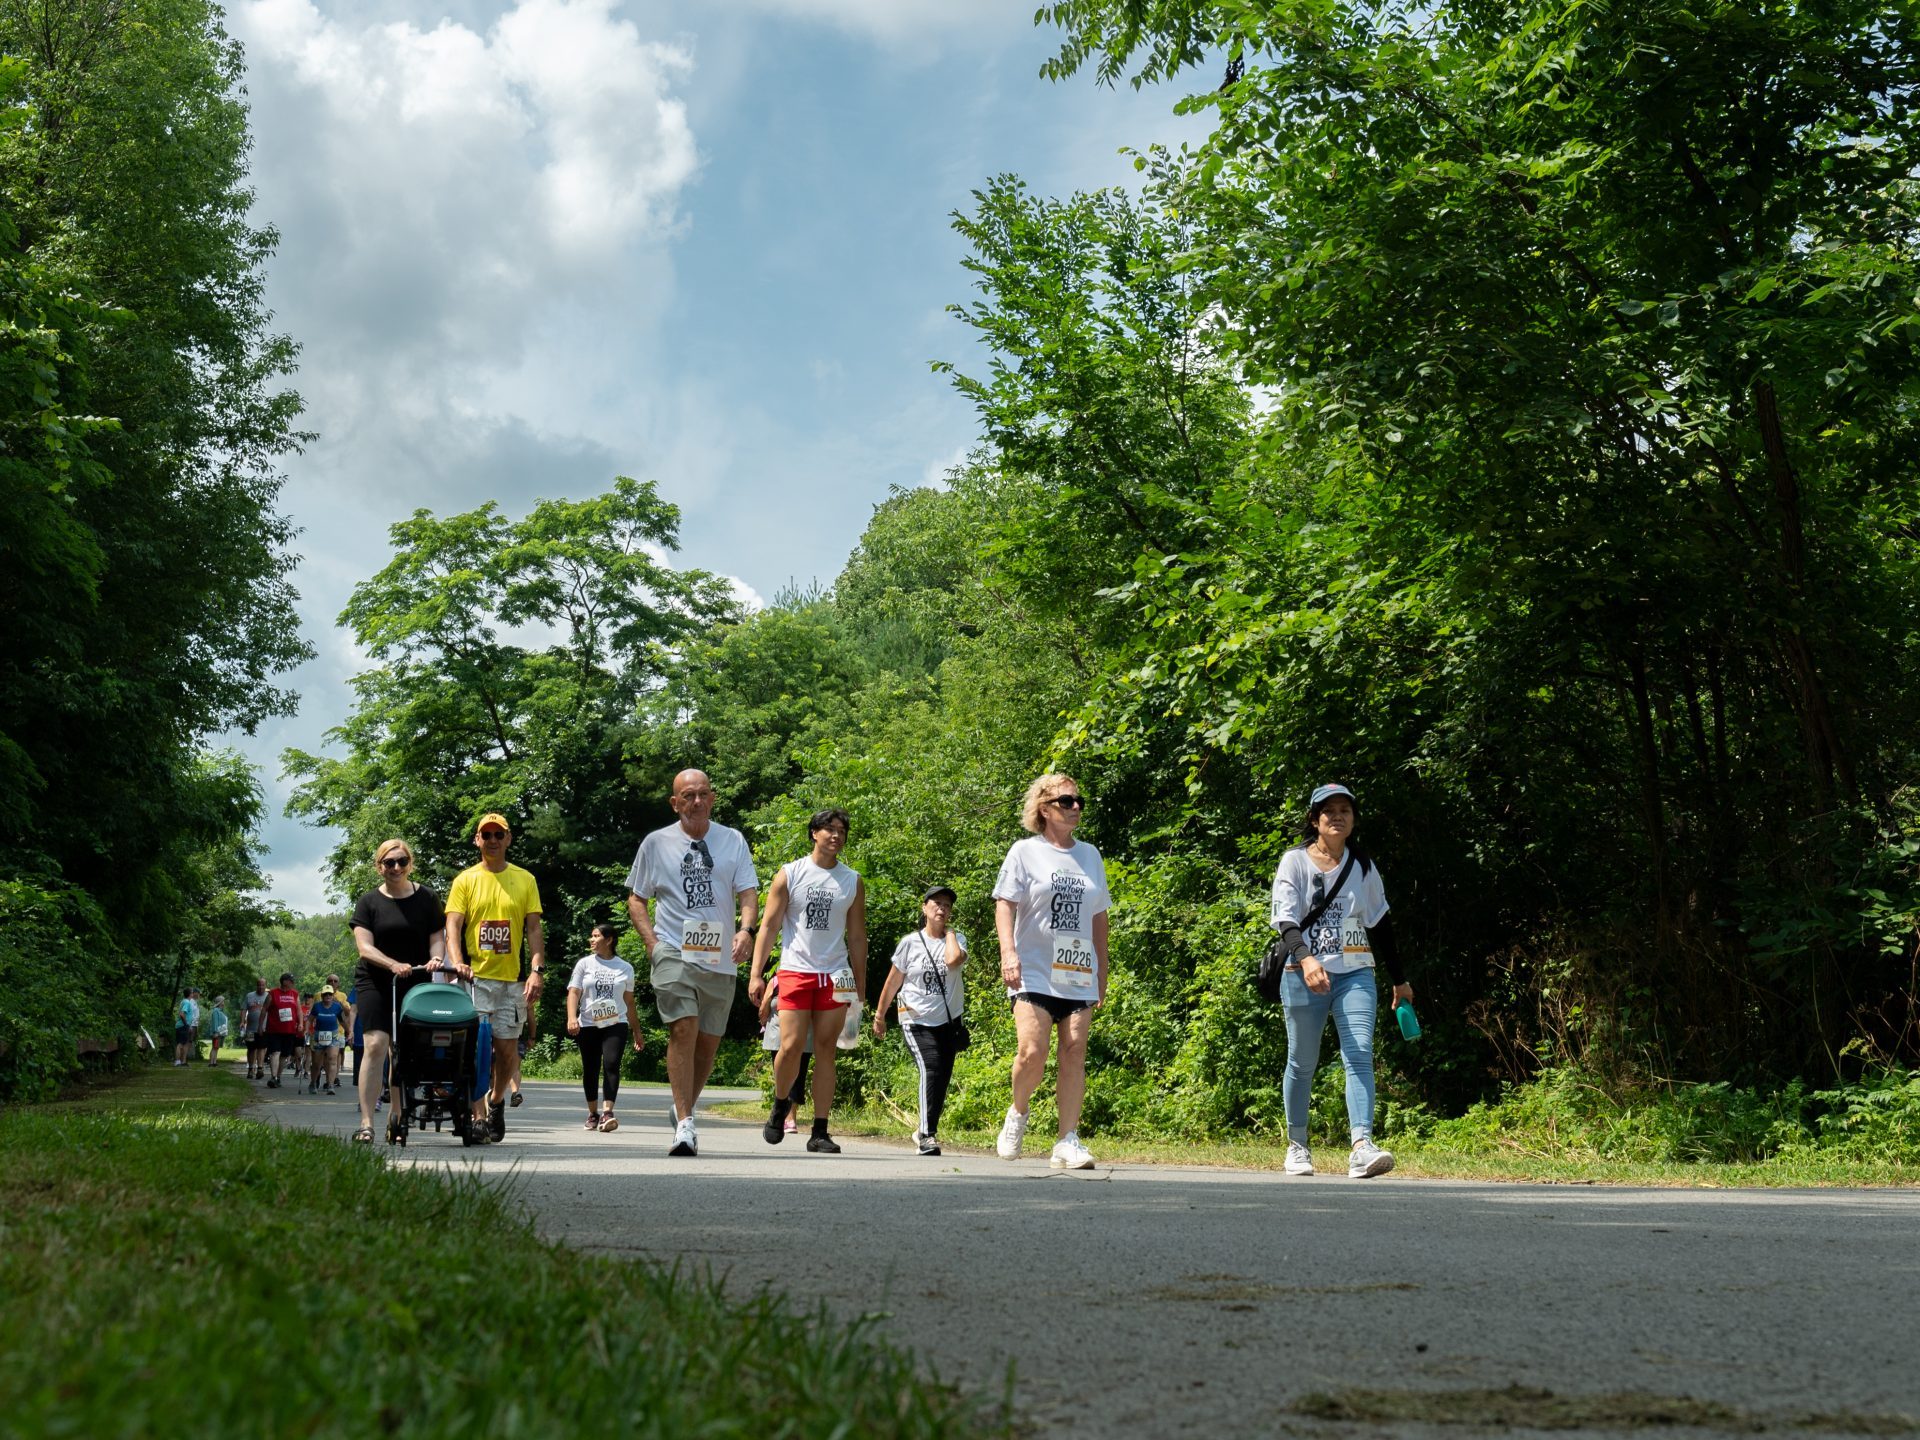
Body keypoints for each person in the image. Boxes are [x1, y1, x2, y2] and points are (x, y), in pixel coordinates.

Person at [1269, 782, 1411, 1179]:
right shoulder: (1294, 862)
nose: (1336, 816)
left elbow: (1380, 922)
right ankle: (1297, 1146)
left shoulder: (1363, 865)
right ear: (1314, 819)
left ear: (1353, 820)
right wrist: (1307, 958)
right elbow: (1285, 919)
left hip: (1355, 973)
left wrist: (1400, 980)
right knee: (1302, 1062)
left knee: (1360, 1052)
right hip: (1302, 974)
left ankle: (1362, 1146)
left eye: (1344, 810)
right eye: (1327, 810)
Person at [625, 769, 759, 1158]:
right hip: (673, 951)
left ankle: (683, 1105)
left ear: (712, 798)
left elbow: (748, 892)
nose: (696, 801)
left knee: (708, 1041)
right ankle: (686, 1126)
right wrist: (652, 944)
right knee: (684, 1029)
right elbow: (637, 898)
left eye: (703, 794)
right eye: (688, 795)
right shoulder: (656, 843)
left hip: (720, 955)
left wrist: (746, 931)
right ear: (675, 803)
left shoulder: (732, 840)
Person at [992, 773, 1110, 1170]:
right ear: (1044, 808)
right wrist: (1008, 953)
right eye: (1066, 801)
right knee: (1033, 1051)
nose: (1075, 807)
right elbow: (1005, 904)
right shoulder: (1024, 852)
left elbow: (1098, 917)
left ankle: (1067, 1139)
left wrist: (1101, 970)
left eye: (1079, 801)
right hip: (1035, 968)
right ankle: (1018, 1113)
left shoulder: (1090, 855)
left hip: (1076, 969)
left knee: (1075, 1050)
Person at [749, 808, 867, 1154]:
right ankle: (780, 1102)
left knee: (827, 1050)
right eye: (829, 829)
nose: (836, 836)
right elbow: (769, 926)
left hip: (835, 975)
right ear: (813, 833)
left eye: (842, 831)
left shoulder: (852, 880)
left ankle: (820, 1130)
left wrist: (860, 984)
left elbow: (858, 936)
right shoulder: (790, 874)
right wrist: (757, 974)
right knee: (791, 1046)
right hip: (795, 970)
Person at [446, 813, 545, 1144]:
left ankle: (497, 1101)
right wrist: (458, 962)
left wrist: (536, 970)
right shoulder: (465, 880)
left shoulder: (525, 880)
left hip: (511, 981)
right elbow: (453, 927)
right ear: (477, 840)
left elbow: (533, 929)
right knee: (475, 1051)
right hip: (476, 980)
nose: (491, 840)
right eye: (485, 835)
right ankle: (478, 1116)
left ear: (508, 838)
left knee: (506, 1052)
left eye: (497, 834)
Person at [350, 838, 454, 1144]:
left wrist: (436, 957)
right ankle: (367, 1122)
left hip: (416, 979)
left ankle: (397, 1116)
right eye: (389, 862)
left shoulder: (428, 898)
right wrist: (393, 964)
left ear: (410, 863)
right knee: (376, 1044)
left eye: (401, 861)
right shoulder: (368, 902)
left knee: (404, 1050)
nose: (396, 868)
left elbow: (437, 935)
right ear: (378, 866)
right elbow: (364, 947)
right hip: (376, 980)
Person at [873, 885, 968, 1156]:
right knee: (931, 1068)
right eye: (936, 903)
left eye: (947, 905)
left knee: (942, 1077)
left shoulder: (958, 939)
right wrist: (880, 1015)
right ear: (924, 908)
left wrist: (948, 933)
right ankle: (927, 1136)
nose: (942, 908)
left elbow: (952, 960)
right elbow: (893, 982)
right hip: (915, 1019)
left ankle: (923, 1130)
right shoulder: (909, 942)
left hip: (948, 1022)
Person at [566, 922, 644, 1131]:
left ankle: (607, 1113)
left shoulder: (625, 967)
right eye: (591, 936)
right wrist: (571, 1018)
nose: (592, 940)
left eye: (596, 936)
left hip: (615, 1022)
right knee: (590, 1069)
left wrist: (637, 1031)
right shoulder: (584, 964)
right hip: (589, 1023)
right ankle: (593, 1113)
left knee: (611, 1064)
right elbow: (574, 992)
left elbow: (629, 1002)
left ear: (609, 940)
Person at [756, 976, 811, 1134]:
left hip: (803, 1036)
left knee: (799, 1076)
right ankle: (782, 1114)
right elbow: (763, 1009)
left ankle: (791, 1117)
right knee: (782, 1076)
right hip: (777, 1036)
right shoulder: (774, 982)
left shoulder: (809, 980)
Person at [262, 972, 303, 1088]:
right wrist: (261, 1025)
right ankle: (273, 1077)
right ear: (284, 981)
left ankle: (278, 1076)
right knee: (275, 1052)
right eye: (291, 981)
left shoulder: (295, 994)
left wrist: (300, 1023)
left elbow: (299, 1010)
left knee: (284, 1055)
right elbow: (264, 1009)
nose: (292, 983)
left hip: (289, 1030)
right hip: (274, 1029)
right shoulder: (273, 993)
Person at [308, 986, 349, 1093]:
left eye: (330, 994)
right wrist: (306, 1029)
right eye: (325, 994)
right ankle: (313, 1083)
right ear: (322, 996)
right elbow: (310, 1019)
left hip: (333, 1036)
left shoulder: (337, 1007)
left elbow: (342, 1021)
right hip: (319, 1036)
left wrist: (349, 1031)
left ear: (332, 996)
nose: (328, 996)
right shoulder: (317, 1006)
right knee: (317, 1063)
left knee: (332, 1059)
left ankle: (330, 1085)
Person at [241, 977, 268, 1079]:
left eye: (262, 985)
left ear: (265, 986)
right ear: (256, 985)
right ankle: (251, 1069)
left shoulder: (268, 996)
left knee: (261, 1048)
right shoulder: (249, 996)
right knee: (251, 1049)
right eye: (259, 985)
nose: (261, 987)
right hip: (250, 1028)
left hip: (263, 1028)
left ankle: (260, 1068)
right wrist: (242, 1021)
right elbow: (243, 1009)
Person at [172, 988, 200, 1066]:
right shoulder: (187, 1002)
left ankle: (181, 1061)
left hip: (181, 1025)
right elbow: (182, 1014)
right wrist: (187, 1024)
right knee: (180, 1044)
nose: (193, 994)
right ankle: (177, 1061)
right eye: (192, 993)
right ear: (190, 994)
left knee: (183, 1043)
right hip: (182, 1026)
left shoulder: (183, 1001)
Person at [205, 995, 230, 1067]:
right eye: (223, 1002)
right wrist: (215, 1032)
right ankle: (211, 1063)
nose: (224, 1003)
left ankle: (214, 1062)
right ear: (220, 1002)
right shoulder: (216, 1011)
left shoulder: (220, 1011)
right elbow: (215, 1022)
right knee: (214, 1047)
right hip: (217, 1032)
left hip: (220, 1033)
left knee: (216, 1047)